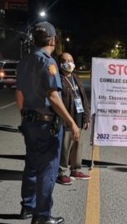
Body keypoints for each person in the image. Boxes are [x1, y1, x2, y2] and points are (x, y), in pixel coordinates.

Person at [16, 21, 80, 224]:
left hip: (29, 121)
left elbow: (19, 94)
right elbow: (53, 97)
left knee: (32, 165)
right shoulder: (48, 62)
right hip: (46, 124)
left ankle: (27, 207)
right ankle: (42, 216)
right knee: (48, 169)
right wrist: (71, 122)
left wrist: (25, 115)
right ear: (52, 40)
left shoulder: (24, 61)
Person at [56, 52, 91, 185]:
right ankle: (61, 172)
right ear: (60, 63)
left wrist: (86, 117)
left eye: (71, 60)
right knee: (65, 147)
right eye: (66, 61)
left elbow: (83, 98)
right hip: (66, 119)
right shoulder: (58, 79)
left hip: (79, 117)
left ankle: (76, 169)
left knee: (77, 145)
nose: (69, 63)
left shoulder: (75, 77)